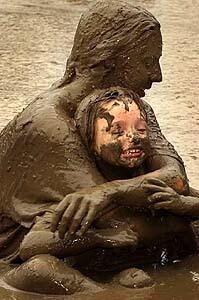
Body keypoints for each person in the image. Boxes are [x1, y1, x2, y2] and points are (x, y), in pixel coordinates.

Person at [0, 0, 198, 295]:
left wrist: (109, 191)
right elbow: (126, 225)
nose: (157, 76)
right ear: (109, 60)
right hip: (50, 247)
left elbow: (177, 177)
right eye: (147, 60)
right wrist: (178, 209)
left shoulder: (133, 107)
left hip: (104, 230)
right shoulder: (48, 124)